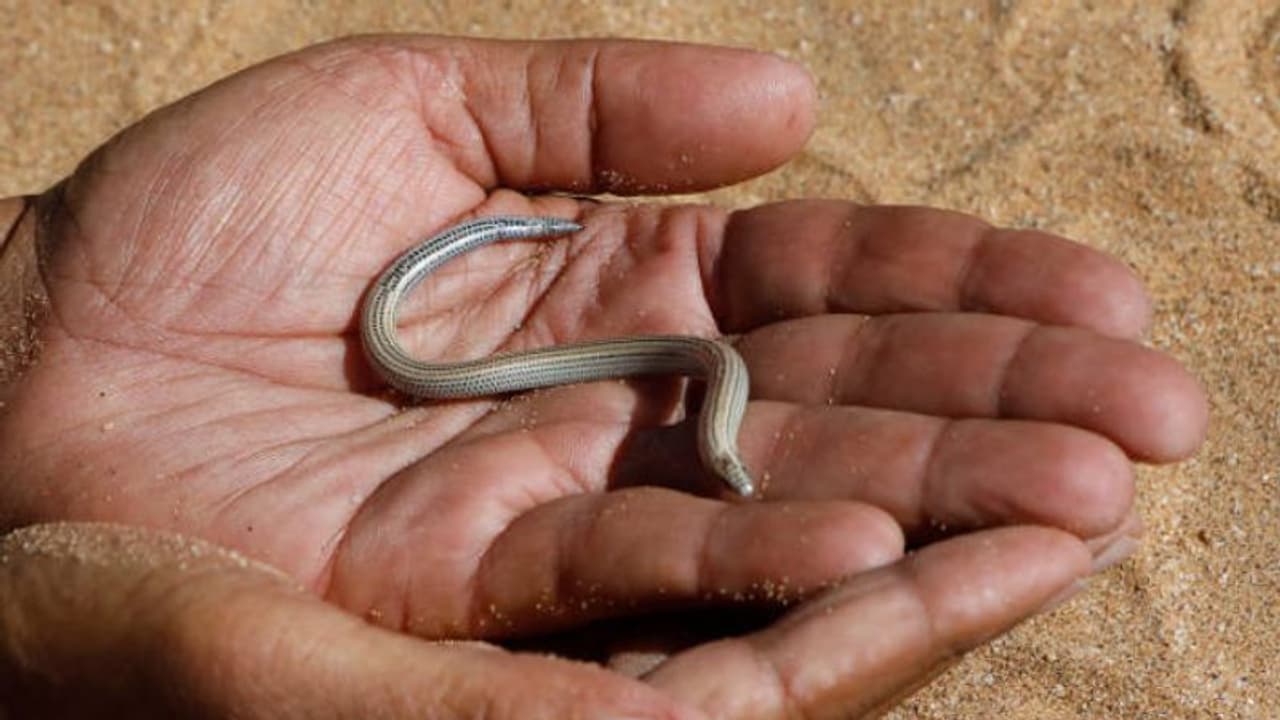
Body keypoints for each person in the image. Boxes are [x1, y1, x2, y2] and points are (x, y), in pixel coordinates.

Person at [0, 36, 1207, 718]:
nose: (721, 466)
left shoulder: (706, 378)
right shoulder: (705, 394)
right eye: (723, 463)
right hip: (458, 352)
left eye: (721, 463)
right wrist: (30, 293)